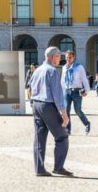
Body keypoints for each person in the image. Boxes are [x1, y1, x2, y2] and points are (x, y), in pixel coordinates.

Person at [29, 47, 72, 176]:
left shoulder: (37, 70)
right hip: (48, 105)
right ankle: (58, 167)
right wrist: (64, 115)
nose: (61, 58)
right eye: (59, 56)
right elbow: (57, 95)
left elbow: (31, 87)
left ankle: (39, 169)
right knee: (62, 137)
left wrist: (33, 103)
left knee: (39, 138)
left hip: (36, 105)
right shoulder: (52, 71)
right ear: (52, 57)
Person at [61, 50, 90, 135]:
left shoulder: (79, 67)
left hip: (77, 92)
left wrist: (87, 91)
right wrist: (61, 90)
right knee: (66, 111)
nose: (68, 59)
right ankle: (68, 130)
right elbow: (62, 80)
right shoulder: (64, 67)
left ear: (73, 57)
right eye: (66, 57)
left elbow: (84, 79)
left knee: (78, 111)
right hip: (66, 91)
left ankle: (87, 124)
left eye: (70, 57)